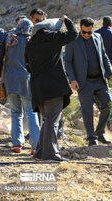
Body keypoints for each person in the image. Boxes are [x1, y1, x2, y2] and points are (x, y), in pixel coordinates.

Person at [25, 16, 78, 161]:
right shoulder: (52, 37)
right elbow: (74, 34)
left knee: (47, 121)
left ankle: (40, 152)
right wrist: (67, 20)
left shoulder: (30, 43)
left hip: (37, 88)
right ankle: (52, 154)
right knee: (52, 121)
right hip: (54, 86)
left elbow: (27, 65)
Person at [65, 17, 112, 146]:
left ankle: (100, 133)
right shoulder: (73, 40)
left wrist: (110, 73)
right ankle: (92, 138)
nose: (86, 35)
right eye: (84, 32)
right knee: (88, 111)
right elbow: (68, 61)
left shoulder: (98, 37)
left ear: (93, 29)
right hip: (83, 82)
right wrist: (72, 79)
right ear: (80, 28)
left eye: (89, 32)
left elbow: (104, 56)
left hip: (99, 80)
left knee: (108, 105)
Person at [0, 19, 40, 154]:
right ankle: (35, 146)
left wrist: (1, 75)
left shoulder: (9, 38)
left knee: (15, 112)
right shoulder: (31, 41)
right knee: (31, 113)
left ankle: (17, 144)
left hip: (10, 80)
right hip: (26, 79)